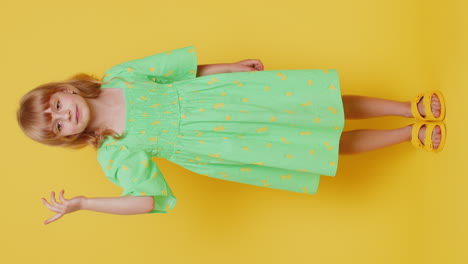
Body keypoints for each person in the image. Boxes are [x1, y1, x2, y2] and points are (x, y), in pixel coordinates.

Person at [17, 46, 446, 224]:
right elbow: (145, 199)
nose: (63, 115)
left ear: (65, 89)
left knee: (320, 101)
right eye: (57, 126)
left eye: (56, 105)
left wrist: (230, 68)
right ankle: (409, 133)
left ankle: (407, 108)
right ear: (65, 138)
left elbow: (180, 70)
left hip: (230, 97)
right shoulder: (113, 150)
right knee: (320, 147)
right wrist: (83, 203)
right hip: (222, 143)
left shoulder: (120, 76)